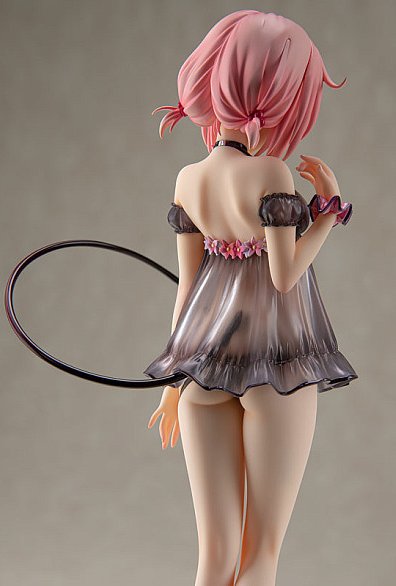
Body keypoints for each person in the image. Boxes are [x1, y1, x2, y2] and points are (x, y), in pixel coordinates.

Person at [144, 10, 358, 586]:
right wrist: (328, 211)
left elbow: (188, 290)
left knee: (214, 559)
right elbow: (285, 275)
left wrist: (174, 382)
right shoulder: (272, 173)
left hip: (203, 372)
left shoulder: (188, 179)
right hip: (276, 368)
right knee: (260, 556)